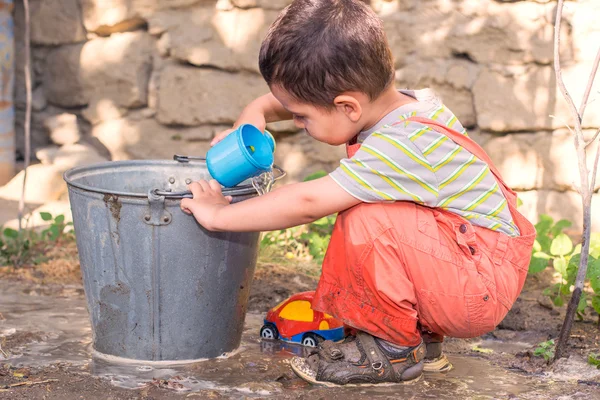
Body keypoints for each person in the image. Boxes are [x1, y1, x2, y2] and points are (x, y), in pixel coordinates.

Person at [180, 0, 535, 387]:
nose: (296, 123)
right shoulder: (404, 105)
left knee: (366, 217)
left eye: (301, 116)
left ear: (348, 106)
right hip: (469, 268)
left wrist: (218, 215)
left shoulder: (400, 147)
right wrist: (255, 115)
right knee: (378, 211)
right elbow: (290, 103)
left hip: (475, 289)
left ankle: (390, 351)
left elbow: (306, 203)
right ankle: (420, 345)